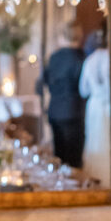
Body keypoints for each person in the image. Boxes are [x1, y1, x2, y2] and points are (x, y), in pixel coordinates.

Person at [38, 22, 86, 167]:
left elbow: (44, 81)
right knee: (74, 157)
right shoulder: (82, 57)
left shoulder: (54, 57)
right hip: (74, 110)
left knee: (59, 154)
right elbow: (84, 87)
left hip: (55, 109)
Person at [79, 24, 111, 187]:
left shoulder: (90, 61)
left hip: (95, 106)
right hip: (110, 106)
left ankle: (96, 177)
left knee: (95, 141)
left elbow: (83, 90)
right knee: (109, 140)